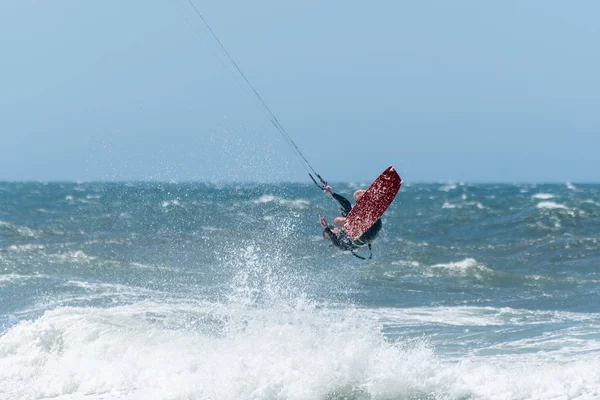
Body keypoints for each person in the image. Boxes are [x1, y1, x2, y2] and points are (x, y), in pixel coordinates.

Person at [319, 184, 382, 259]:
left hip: (374, 223)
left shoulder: (345, 228)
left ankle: (373, 199)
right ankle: (366, 212)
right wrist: (326, 228)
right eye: (329, 237)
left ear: (335, 228)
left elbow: (346, 204)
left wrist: (332, 193)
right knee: (337, 220)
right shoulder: (341, 244)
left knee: (357, 194)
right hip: (366, 235)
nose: (331, 235)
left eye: (331, 233)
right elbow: (335, 241)